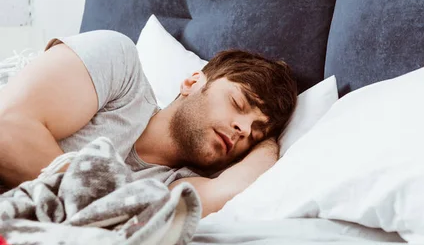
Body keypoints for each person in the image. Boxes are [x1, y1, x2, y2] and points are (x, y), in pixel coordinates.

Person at [0, 30, 297, 216]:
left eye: (254, 134)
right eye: (238, 103)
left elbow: (228, 191)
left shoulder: (171, 187)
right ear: (192, 81)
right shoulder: (120, 68)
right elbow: (8, 129)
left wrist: (270, 138)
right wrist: (108, 212)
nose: (244, 130)